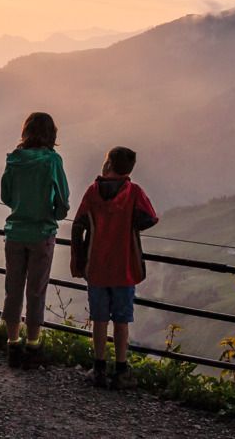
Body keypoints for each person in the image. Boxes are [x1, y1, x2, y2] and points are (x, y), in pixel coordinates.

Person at [70, 145, 158, 388]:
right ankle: (121, 370)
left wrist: (79, 259)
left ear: (108, 164)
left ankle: (98, 368)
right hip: (124, 267)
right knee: (121, 321)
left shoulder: (92, 192)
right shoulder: (134, 192)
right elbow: (150, 217)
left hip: (97, 266)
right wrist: (130, 225)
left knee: (99, 319)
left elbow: (78, 225)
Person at [0, 111, 69, 368]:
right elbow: (63, 201)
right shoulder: (52, 161)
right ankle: (33, 345)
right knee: (36, 291)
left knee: (13, 289)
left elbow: (6, 195)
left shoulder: (14, 159)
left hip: (15, 232)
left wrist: (21, 205)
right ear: (51, 134)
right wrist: (54, 213)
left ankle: (12, 344)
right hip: (41, 233)